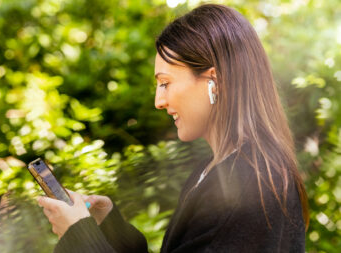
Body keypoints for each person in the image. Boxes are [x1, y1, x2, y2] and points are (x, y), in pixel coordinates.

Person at [37, 4, 309, 253]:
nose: (159, 101)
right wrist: (108, 226)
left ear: (214, 81)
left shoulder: (254, 183)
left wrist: (79, 236)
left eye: (165, 83)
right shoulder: (211, 172)